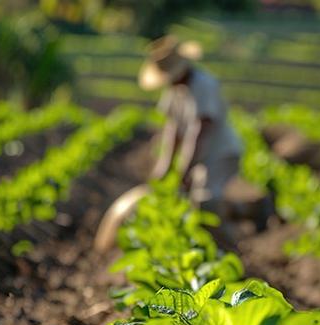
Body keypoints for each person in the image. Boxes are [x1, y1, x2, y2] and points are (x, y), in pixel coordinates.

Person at [95, 36, 245, 251]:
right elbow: (173, 130)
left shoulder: (204, 84)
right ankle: (241, 213)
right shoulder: (175, 90)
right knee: (193, 201)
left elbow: (199, 132)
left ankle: (229, 251)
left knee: (206, 201)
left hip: (220, 152)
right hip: (202, 152)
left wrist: (184, 169)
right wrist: (164, 169)